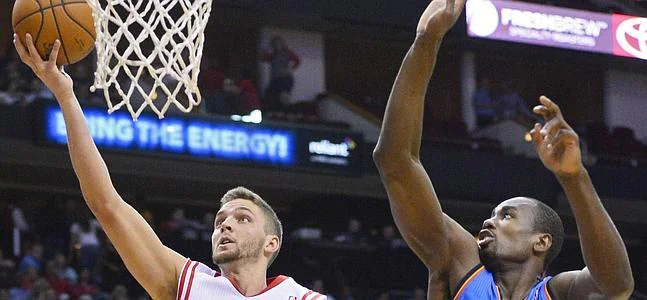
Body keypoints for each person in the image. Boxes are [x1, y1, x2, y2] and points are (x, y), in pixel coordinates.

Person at [14, 33, 325, 299]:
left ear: (272, 243)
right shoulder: (187, 284)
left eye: (242, 219)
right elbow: (106, 204)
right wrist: (66, 96)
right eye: (219, 221)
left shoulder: (302, 297)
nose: (224, 225)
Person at [372, 0, 634, 299]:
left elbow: (616, 285)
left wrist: (574, 178)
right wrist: (426, 42)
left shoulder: (559, 292)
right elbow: (395, 161)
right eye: (495, 215)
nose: (488, 221)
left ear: (541, 241)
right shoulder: (459, 267)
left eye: (506, 216)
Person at [259, 35, 300, 112]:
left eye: (279, 43)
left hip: (285, 79)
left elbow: (297, 60)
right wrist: (267, 48)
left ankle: (286, 112)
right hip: (275, 79)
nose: (277, 45)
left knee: (283, 97)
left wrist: (290, 69)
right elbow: (262, 58)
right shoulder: (273, 55)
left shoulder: (287, 53)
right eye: (275, 44)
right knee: (270, 96)